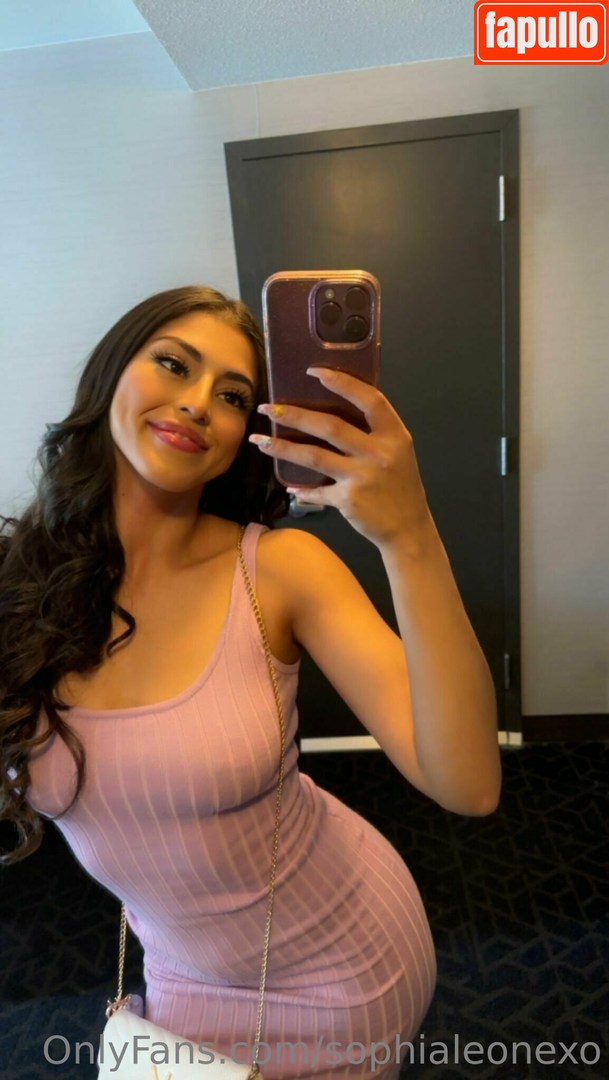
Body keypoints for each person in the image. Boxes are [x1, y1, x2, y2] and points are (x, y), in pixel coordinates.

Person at [0, 285, 501, 1079]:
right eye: (174, 364)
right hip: (179, 975)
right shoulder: (18, 584)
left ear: (246, 433)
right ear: (110, 374)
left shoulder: (278, 570)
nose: (198, 403)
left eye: (232, 396)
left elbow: (468, 782)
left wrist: (407, 534)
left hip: (341, 966)